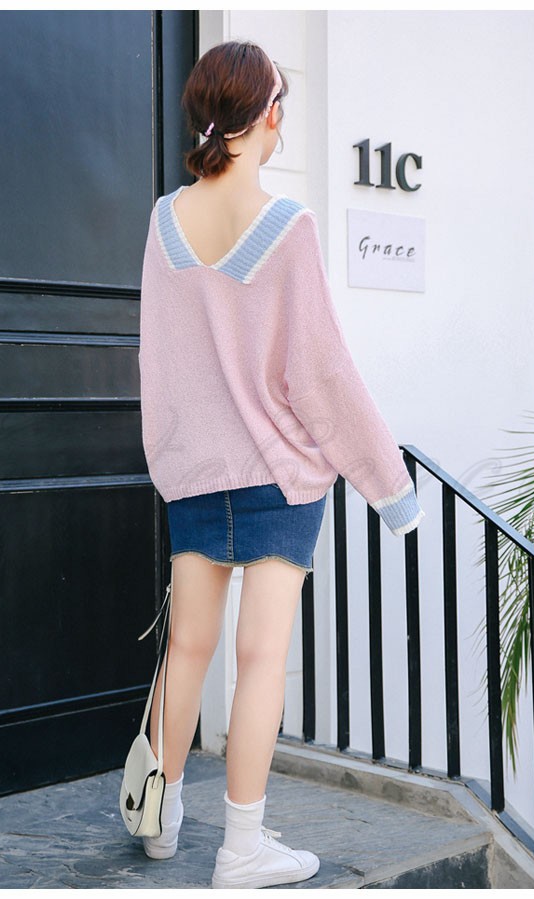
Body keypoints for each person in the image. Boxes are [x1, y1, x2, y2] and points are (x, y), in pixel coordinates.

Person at [136, 40, 424, 890]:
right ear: (264, 114)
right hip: (278, 476)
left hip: (196, 471)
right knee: (262, 657)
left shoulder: (163, 221)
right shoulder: (288, 225)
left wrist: (173, 458)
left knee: (187, 647)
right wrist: (390, 487)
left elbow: (158, 361)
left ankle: (157, 815)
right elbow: (320, 372)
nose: (281, 119)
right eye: (280, 105)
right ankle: (242, 849)